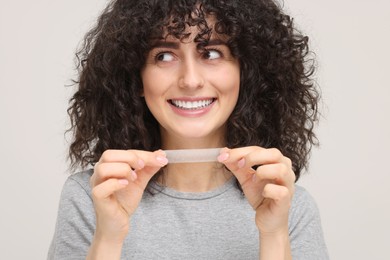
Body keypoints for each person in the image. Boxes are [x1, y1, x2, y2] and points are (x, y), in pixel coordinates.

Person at [48, 0, 329, 259]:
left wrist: (273, 234)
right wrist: (108, 237)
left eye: (211, 52)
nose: (190, 81)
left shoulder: (287, 205)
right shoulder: (92, 197)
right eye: (164, 56)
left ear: (248, 72)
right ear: (135, 78)